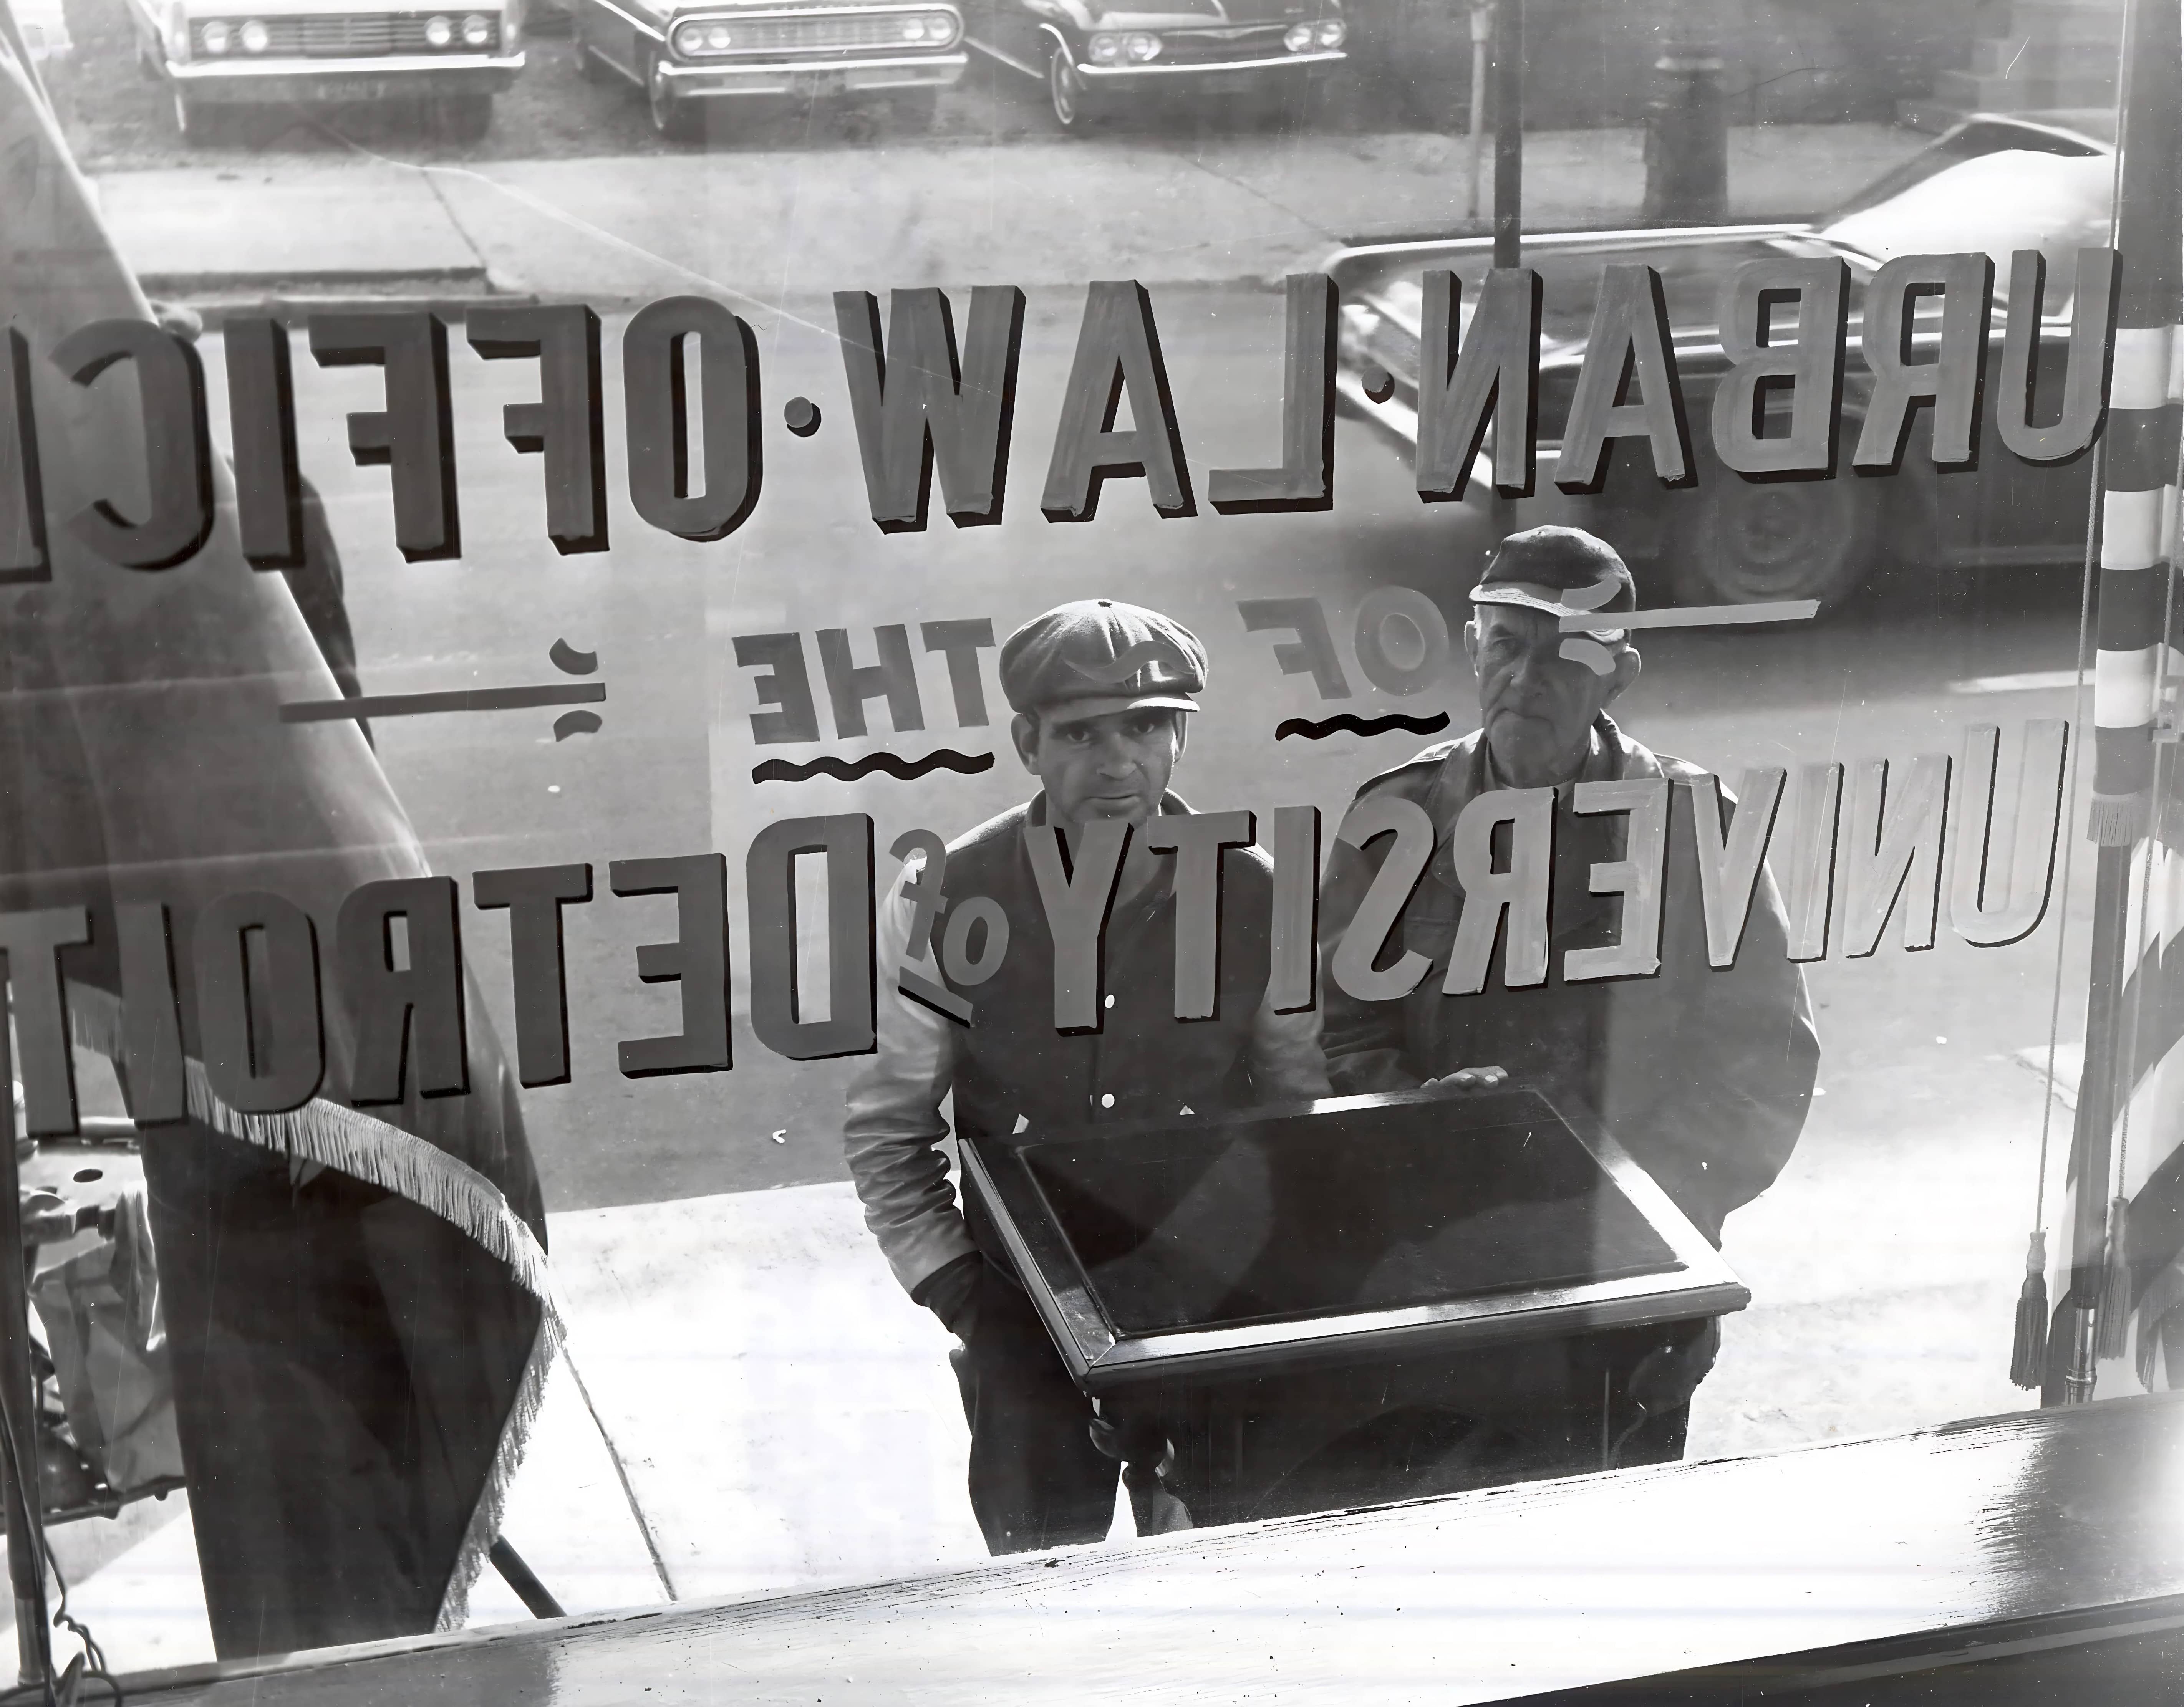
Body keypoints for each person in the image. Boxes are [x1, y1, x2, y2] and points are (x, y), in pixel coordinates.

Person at [1318, 525, 1819, 1474]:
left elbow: (1762, 1064)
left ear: (1618, 674)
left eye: (1564, 656)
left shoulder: (1687, 827)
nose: (1526, 679)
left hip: (1626, 1280)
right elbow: (1341, 1033)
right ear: (1472, 648)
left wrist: (1640, 1207)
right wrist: (1418, 1134)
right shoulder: (1399, 818)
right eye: (1505, 645)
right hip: (1440, 1267)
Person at [843, 598, 1331, 1554]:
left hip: (1206, 1303)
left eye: (1147, 727)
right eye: (1080, 735)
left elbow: (1296, 1107)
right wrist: (961, 1294)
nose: (1118, 763)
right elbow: (888, 1129)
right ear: (1028, 740)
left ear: (1180, 734)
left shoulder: (1258, 892)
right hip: (1020, 1318)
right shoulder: (945, 896)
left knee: (1214, 1588)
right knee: (1037, 1595)